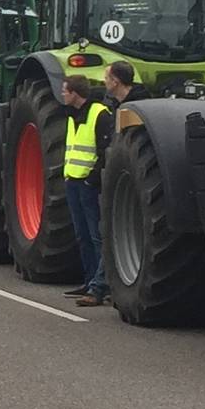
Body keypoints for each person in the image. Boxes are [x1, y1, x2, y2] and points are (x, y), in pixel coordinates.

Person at [61, 73, 114, 306]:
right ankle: (89, 280)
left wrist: (91, 179)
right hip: (73, 181)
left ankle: (100, 287)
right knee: (83, 235)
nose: (62, 94)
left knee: (95, 236)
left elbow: (104, 151)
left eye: (65, 90)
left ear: (74, 93)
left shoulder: (99, 114)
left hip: (87, 184)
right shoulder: (72, 115)